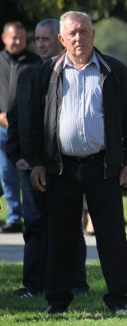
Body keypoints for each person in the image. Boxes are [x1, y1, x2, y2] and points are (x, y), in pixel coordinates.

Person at [28, 11, 127, 314]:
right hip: (61, 168)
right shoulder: (47, 73)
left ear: (93, 34)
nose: (79, 38)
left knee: (112, 237)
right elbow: (34, 124)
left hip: (104, 167)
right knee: (61, 238)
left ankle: (119, 301)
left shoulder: (114, 70)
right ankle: (57, 302)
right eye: (72, 34)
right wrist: (37, 164)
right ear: (62, 39)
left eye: (84, 32)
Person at [6, 19, 90, 298]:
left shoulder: (73, 73)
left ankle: (77, 284)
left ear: (60, 39)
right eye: (38, 39)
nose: (40, 44)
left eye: (46, 39)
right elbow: (17, 117)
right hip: (31, 164)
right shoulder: (29, 74)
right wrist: (16, 155)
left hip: (65, 164)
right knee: (35, 225)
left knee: (70, 226)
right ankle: (33, 285)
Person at [0, 21, 40, 233]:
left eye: (22, 38)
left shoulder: (35, 62)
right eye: (14, 38)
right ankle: (14, 217)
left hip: (27, 128)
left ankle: (31, 214)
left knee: (29, 170)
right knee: (6, 172)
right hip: (2, 128)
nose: (18, 42)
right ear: (4, 38)